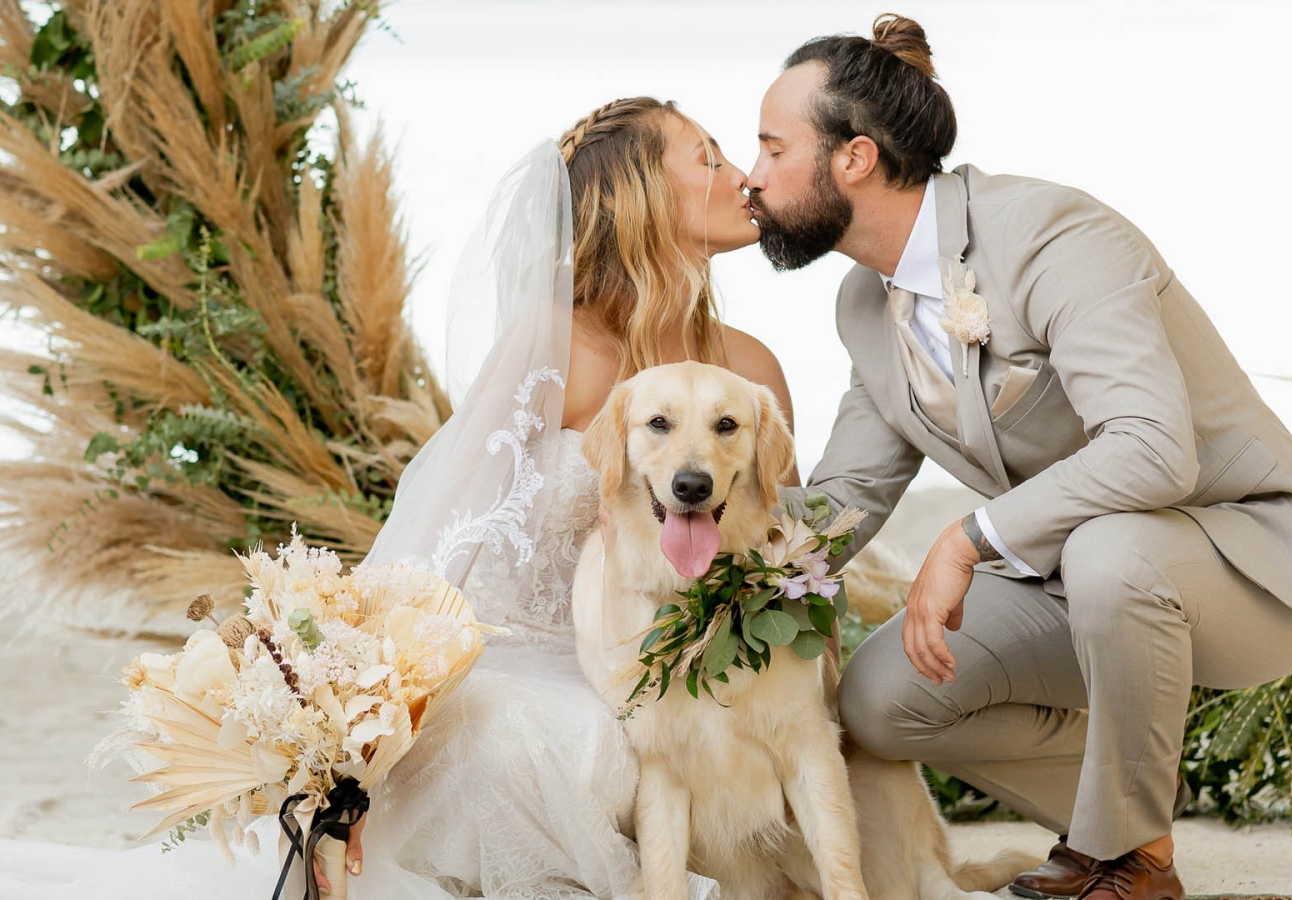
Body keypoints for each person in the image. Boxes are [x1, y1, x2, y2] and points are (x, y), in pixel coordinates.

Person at [0, 97, 792, 900]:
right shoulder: (562, 345)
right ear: (640, 196)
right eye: (707, 157)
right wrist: (351, 704)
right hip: (528, 661)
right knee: (522, 739)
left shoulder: (749, 370)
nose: (738, 178)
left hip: (679, 673)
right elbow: (447, 532)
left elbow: (791, 557)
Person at [758, 15, 1292, 900]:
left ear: (852, 158)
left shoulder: (1051, 234)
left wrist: (967, 538)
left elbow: (1153, 449)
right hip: (1074, 582)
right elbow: (850, 492)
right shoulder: (864, 305)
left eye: (770, 149)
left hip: (1251, 561)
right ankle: (1124, 805)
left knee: (1109, 550)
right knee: (881, 698)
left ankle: (1128, 865)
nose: (751, 178)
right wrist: (723, 577)